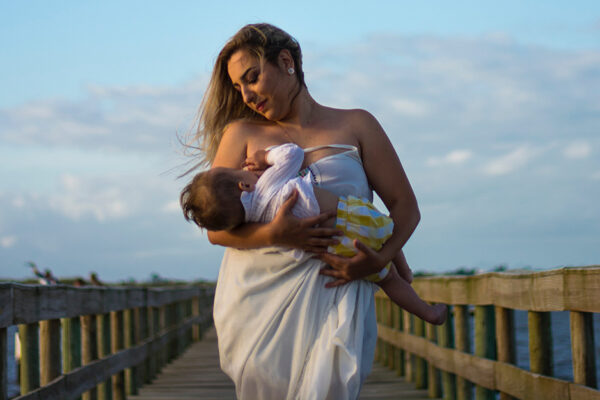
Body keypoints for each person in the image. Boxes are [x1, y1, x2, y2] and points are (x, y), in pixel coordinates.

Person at [185, 23, 424, 399]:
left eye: (252, 78)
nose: (247, 95)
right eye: (237, 87)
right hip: (257, 300)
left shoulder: (356, 124)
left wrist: (378, 260)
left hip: (337, 291)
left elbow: (406, 209)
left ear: (286, 62)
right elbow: (216, 230)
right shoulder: (241, 134)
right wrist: (277, 234)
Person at [180, 142, 446, 325]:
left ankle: (427, 312)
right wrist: (264, 158)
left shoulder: (255, 219)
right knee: (385, 230)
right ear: (244, 184)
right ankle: (406, 268)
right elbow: (292, 154)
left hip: (336, 248)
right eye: (241, 169)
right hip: (349, 215)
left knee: (387, 281)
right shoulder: (265, 185)